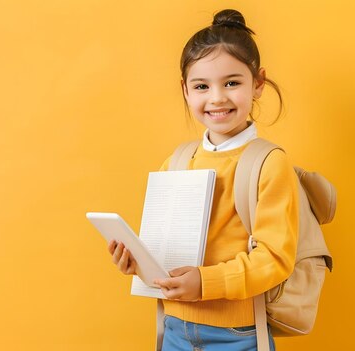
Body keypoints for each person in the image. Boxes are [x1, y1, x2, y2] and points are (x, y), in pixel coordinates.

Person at [107, 9, 299, 351]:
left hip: (238, 335)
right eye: (201, 86)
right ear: (185, 90)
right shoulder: (178, 161)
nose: (217, 97)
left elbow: (274, 259)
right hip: (175, 327)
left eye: (232, 82)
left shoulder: (269, 163)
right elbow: (167, 250)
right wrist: (138, 262)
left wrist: (204, 281)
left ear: (258, 83)